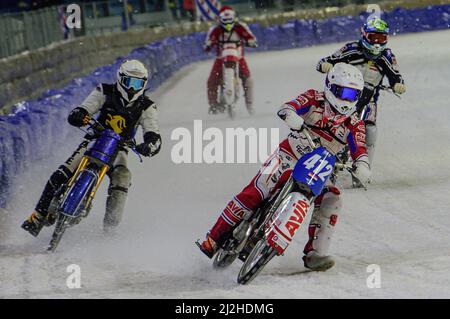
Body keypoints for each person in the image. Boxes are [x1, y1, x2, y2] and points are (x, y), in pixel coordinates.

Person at [197, 63, 371, 271]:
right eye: (343, 92)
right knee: (255, 192)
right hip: (289, 155)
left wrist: (362, 164)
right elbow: (289, 106)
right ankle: (214, 238)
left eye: (353, 95)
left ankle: (316, 252)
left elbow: (359, 147)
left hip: (319, 170)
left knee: (332, 198)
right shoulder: (314, 98)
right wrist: (291, 115)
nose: (346, 99)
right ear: (331, 87)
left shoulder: (354, 123)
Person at [21, 59, 162, 236]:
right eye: (129, 82)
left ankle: (110, 229)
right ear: (120, 79)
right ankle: (37, 216)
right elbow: (84, 108)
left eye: (137, 83)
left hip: (120, 148)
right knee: (63, 172)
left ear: (144, 84)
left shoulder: (147, 106)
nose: (132, 88)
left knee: (123, 176)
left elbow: (153, 132)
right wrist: (80, 115)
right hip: (95, 140)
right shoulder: (104, 90)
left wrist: (149, 145)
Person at [316, 17, 405, 172]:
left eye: (381, 38)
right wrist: (325, 65)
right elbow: (325, 61)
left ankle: (363, 169)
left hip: (369, 100)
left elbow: (396, 75)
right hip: (343, 97)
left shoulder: (387, 56)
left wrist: (398, 84)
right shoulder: (351, 49)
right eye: (373, 38)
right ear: (364, 35)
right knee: (329, 123)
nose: (377, 43)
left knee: (370, 130)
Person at [204, 6, 257, 115]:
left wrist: (251, 41)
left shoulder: (241, 27)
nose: (228, 24)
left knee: (248, 79)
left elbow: (251, 37)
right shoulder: (215, 29)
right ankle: (213, 104)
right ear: (220, 19)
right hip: (221, 59)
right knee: (212, 81)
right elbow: (208, 42)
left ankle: (249, 104)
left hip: (238, 58)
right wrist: (209, 44)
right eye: (225, 20)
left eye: (230, 20)